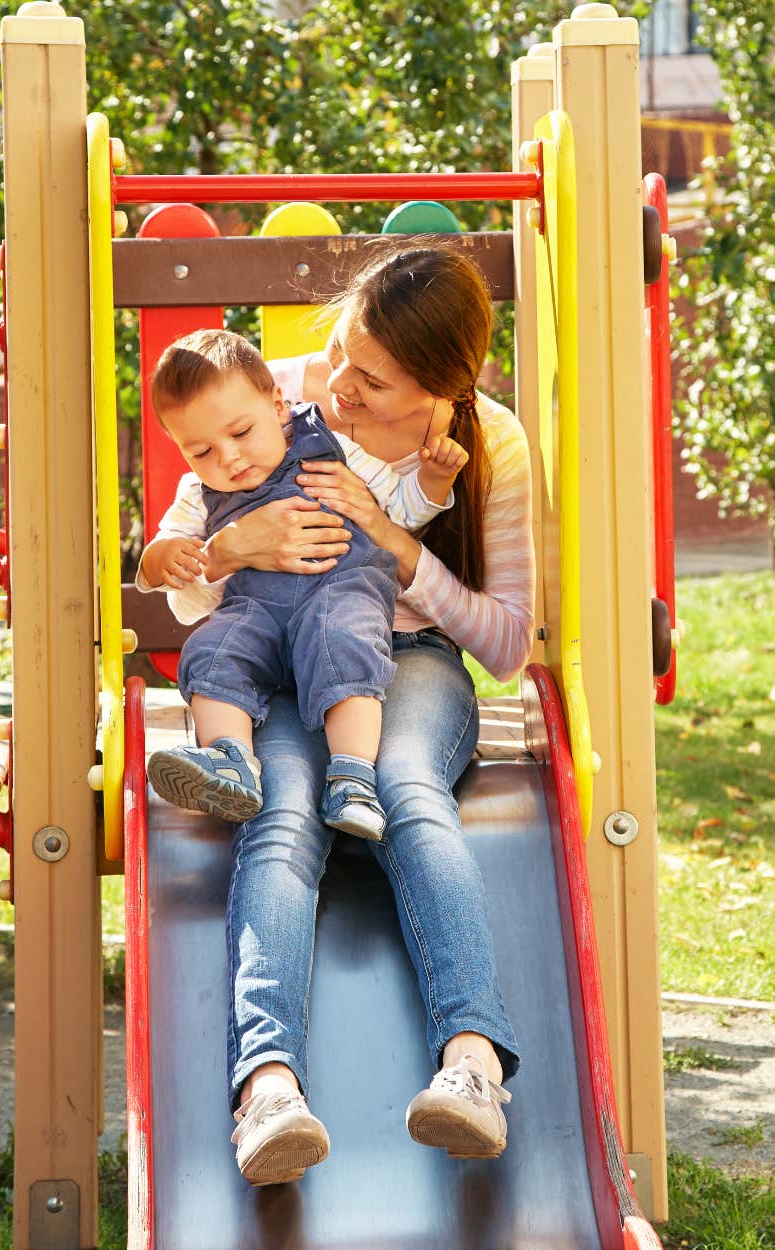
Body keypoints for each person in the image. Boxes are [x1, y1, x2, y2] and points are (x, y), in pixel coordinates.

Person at [150, 244, 535, 1187]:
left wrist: (400, 547)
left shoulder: (491, 446)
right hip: (285, 669)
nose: (338, 385)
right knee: (278, 812)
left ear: (439, 388)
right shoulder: (266, 395)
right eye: (339, 353)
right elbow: (190, 591)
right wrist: (234, 545)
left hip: (410, 663)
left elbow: (508, 644)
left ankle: (474, 1065)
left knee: (405, 786)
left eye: (371, 378)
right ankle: (268, 1087)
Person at [138, 328, 469, 841]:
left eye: (241, 432)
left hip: (340, 589)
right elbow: (171, 548)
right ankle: (230, 761)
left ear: (277, 405)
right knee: (211, 649)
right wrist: (160, 559)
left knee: (345, 638)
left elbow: (397, 507)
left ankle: (353, 776)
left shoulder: (330, 448)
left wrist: (432, 484)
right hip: (257, 610)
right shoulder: (197, 494)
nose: (227, 458)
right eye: (201, 451)